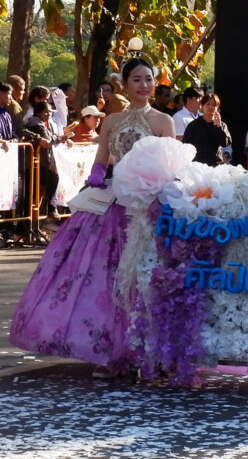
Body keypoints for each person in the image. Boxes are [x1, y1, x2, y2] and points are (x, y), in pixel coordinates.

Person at [9, 57, 175, 377]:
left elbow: (171, 167)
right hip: (114, 203)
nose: (144, 85)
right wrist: (97, 175)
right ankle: (113, 353)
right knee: (107, 278)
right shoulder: (111, 121)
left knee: (146, 277)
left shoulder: (163, 121)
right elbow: (101, 159)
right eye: (137, 79)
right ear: (124, 84)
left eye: (148, 79)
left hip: (149, 207)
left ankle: (153, 352)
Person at [22, 100, 62, 221]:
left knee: (37, 195)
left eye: (50, 112)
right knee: (31, 196)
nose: (49, 114)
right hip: (31, 164)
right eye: (46, 112)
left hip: (40, 164)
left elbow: (51, 138)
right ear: (38, 113)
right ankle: (50, 209)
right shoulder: (35, 124)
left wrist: (58, 138)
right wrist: (59, 138)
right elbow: (47, 141)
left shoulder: (46, 123)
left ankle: (35, 223)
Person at [183, 93, 232, 166]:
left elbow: (225, 143)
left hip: (216, 164)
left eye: (214, 105)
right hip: (197, 165)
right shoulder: (193, 125)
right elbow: (186, 145)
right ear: (202, 106)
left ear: (218, 108)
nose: (211, 107)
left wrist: (219, 126)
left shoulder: (222, 125)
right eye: (208, 104)